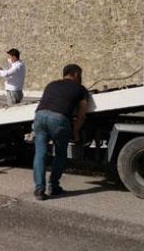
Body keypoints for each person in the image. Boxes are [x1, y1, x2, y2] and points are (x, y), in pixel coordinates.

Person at [32, 64, 89, 200]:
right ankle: (54, 186)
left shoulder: (51, 84)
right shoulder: (81, 89)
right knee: (60, 153)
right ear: (76, 74)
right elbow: (82, 114)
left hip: (39, 116)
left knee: (40, 153)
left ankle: (39, 189)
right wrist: (75, 132)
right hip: (58, 119)